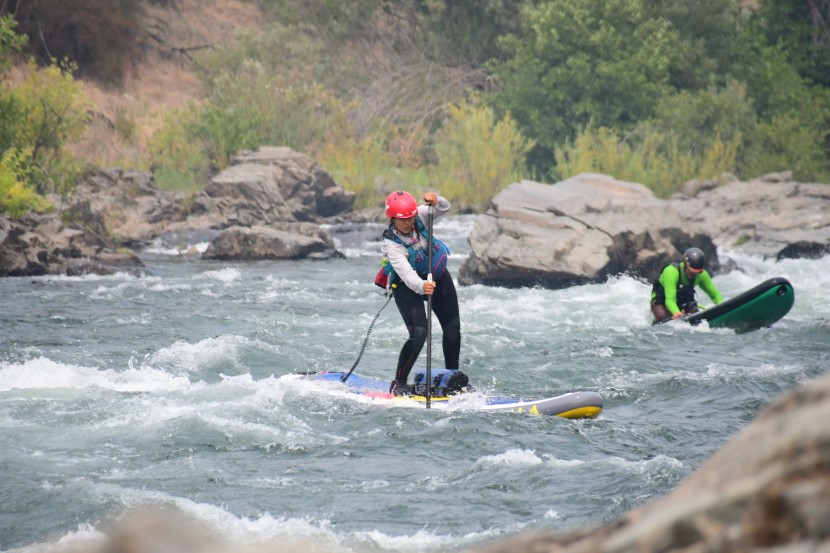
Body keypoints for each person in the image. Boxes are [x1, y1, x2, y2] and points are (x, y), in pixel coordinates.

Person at [381, 190, 461, 395]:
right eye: (402, 220)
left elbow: (444, 207)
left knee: (452, 329)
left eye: (410, 218)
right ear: (392, 219)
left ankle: (451, 378)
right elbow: (407, 275)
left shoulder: (421, 215)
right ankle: (399, 382)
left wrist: (437, 199)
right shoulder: (391, 244)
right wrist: (422, 286)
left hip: (437, 276)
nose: (408, 222)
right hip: (407, 285)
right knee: (419, 332)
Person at [651, 247, 724, 323]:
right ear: (685, 264)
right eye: (692, 272)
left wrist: (722, 308)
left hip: (684, 301)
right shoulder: (671, 272)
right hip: (661, 301)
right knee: (664, 317)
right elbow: (670, 300)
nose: (694, 275)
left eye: (697, 273)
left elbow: (715, 295)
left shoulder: (701, 274)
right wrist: (678, 314)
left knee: (695, 313)